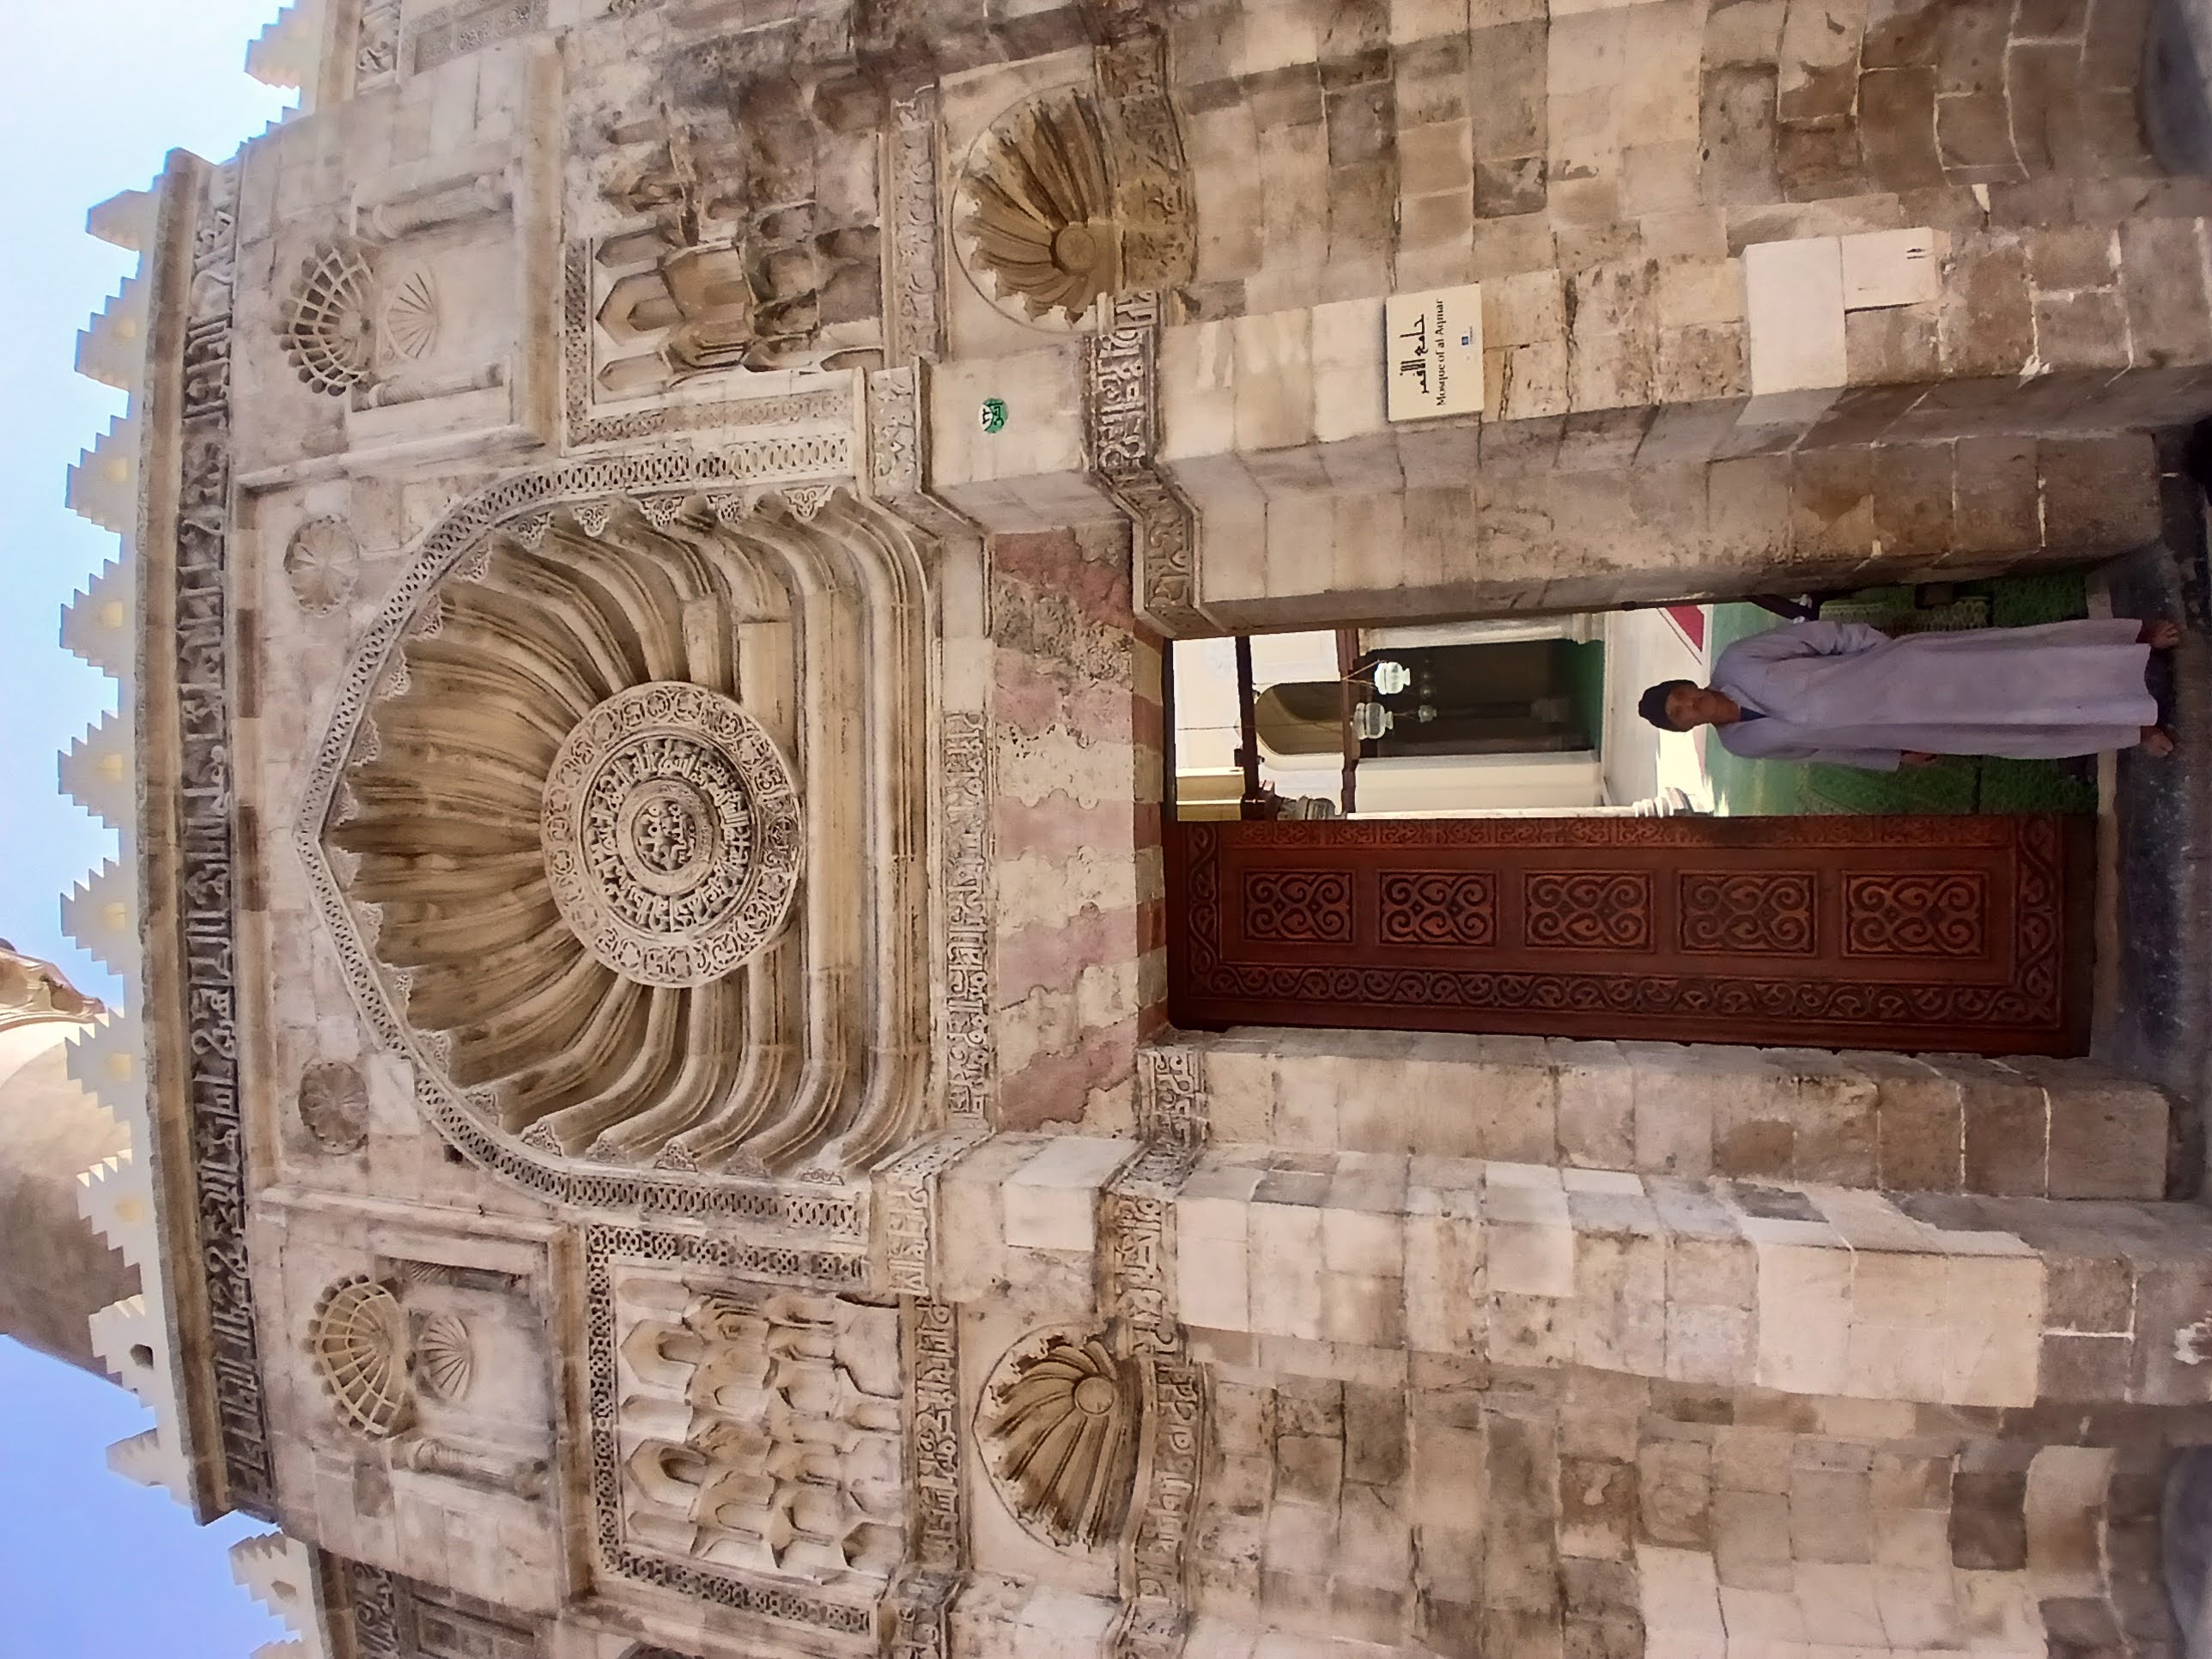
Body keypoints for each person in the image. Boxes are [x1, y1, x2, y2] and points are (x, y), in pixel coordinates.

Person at [1638, 617, 2181, 770]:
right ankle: (2133, 727)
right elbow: (1821, 752)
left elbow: (1821, 636)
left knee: (2019, 662)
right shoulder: (1742, 746)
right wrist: (1893, 756)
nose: (1687, 706)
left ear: (1687, 684)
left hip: (1907, 671)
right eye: (1678, 716)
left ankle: (2137, 640)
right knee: (2011, 719)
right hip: (1901, 723)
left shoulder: (1738, 661)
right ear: (1685, 728)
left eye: (1679, 696)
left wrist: (1881, 649)